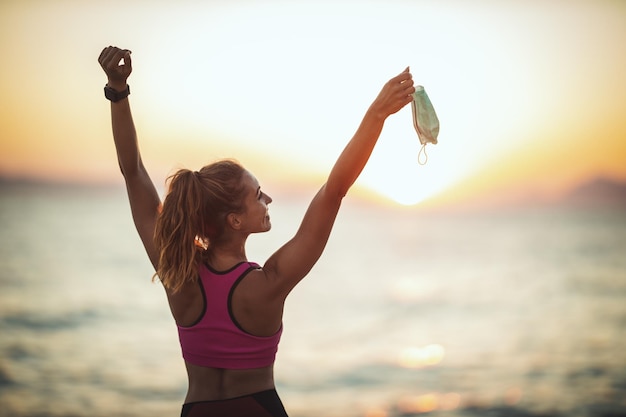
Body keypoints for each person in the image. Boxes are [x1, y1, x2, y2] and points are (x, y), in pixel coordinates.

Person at [98, 45, 415, 417]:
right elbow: (335, 190)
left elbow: (133, 172)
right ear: (233, 219)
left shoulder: (176, 273)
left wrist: (117, 91)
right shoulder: (268, 283)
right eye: (257, 195)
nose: (268, 199)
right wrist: (377, 114)